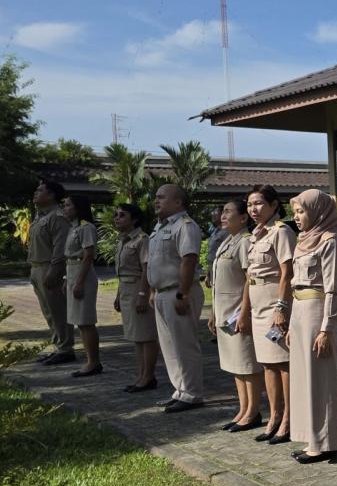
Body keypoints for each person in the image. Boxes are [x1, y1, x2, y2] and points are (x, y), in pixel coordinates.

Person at [288, 189, 337, 463]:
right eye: (295, 212)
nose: (297, 217)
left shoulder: (330, 240)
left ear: (318, 211)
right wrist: (290, 323)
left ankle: (325, 441)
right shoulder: (302, 241)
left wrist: (327, 328)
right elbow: (294, 283)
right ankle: (311, 436)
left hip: (316, 311)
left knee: (319, 377)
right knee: (303, 378)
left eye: (302, 211)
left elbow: (333, 288)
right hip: (299, 310)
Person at [239, 185, 296, 445]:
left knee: (282, 363)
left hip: (275, 303)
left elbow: (287, 272)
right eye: (250, 204)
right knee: (267, 364)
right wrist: (245, 310)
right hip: (258, 302)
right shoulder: (255, 235)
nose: (254, 209)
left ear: (274, 205)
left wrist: (281, 308)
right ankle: (274, 415)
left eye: (260, 203)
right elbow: (250, 275)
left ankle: (288, 419)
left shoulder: (281, 232)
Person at [148, 183, 206, 413]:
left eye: (162, 197)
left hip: (179, 292)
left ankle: (192, 393)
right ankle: (180, 390)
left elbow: (188, 260)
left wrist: (183, 293)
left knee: (184, 345)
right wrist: (153, 291)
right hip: (162, 293)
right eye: (156, 196)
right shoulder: (159, 227)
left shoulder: (185, 226)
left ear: (178, 202)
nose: (156, 200)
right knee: (169, 347)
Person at [208, 199, 263, 432]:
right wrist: (212, 313)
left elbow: (249, 281)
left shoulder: (245, 242)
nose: (223, 215)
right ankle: (243, 408)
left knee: (247, 364)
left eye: (229, 211)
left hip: (237, 312)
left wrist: (244, 312)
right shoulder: (226, 242)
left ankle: (253, 411)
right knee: (234, 364)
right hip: (223, 312)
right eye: (223, 211)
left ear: (243, 218)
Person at [111, 203, 159, 391]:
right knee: (136, 337)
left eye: (122, 215)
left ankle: (148, 377)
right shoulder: (123, 240)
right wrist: (117, 295)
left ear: (135, 219)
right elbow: (122, 272)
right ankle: (141, 374)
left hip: (138, 288)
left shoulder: (142, 239)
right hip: (125, 289)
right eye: (116, 214)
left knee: (146, 336)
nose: (117, 218)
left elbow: (146, 268)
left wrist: (142, 294)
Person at [28, 179, 75, 364]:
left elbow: (60, 246)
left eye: (40, 190)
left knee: (58, 310)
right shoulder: (41, 216)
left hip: (48, 267)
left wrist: (55, 270)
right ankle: (58, 346)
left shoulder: (57, 216)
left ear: (51, 195)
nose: (35, 193)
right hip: (36, 267)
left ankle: (66, 348)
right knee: (48, 311)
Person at [62, 193, 101, 377]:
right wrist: (67, 280)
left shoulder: (86, 227)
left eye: (68, 205)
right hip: (72, 270)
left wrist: (79, 281)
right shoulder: (72, 227)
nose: (65, 208)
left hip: (81, 272)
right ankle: (89, 360)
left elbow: (88, 255)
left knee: (86, 320)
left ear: (78, 207)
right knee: (79, 321)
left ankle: (93, 362)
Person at [205, 206, 228, 288]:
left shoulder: (227, 232)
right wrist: (208, 274)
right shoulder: (215, 232)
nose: (212, 215)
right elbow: (211, 254)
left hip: (221, 269)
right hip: (212, 267)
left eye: (215, 213)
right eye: (212, 213)